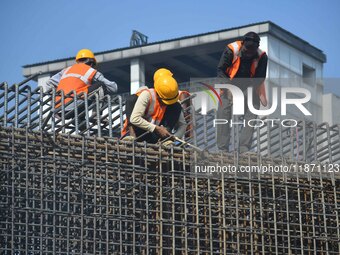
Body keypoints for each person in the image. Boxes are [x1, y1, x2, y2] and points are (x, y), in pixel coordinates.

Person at [216, 31, 268, 153]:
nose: (249, 54)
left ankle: (244, 148)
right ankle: (223, 148)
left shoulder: (262, 57)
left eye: (252, 51)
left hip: (249, 86)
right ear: (243, 44)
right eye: (247, 50)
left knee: (254, 106)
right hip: (230, 83)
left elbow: (259, 79)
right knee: (224, 109)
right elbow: (220, 70)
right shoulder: (231, 49)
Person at [46, 49, 118, 123]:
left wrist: (54, 102)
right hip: (73, 107)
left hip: (58, 111)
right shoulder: (91, 71)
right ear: (91, 63)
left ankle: (79, 121)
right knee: (100, 86)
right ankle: (96, 115)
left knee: (82, 93)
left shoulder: (66, 70)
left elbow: (49, 83)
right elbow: (113, 88)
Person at [121, 74, 186, 144]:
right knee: (131, 99)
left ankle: (166, 141)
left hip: (155, 134)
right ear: (158, 94)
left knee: (176, 106)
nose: (167, 104)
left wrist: (173, 137)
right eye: (165, 101)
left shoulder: (173, 100)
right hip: (140, 131)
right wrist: (156, 128)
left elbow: (183, 125)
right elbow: (134, 119)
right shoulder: (147, 95)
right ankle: (132, 136)